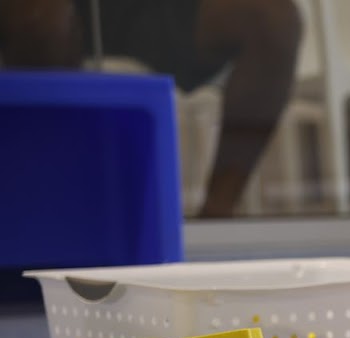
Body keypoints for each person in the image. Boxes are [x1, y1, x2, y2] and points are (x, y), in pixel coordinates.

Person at [0, 0, 302, 218]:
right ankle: (51, 213)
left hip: (149, 9)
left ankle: (218, 212)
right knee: (38, 17)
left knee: (273, 19)